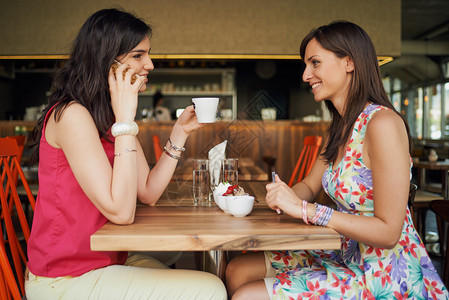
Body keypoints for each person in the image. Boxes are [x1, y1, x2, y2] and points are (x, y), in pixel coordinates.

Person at [226, 21, 448, 299]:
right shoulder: (339, 128)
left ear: (349, 63)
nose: (306, 75)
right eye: (306, 65)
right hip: (343, 252)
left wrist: (307, 210)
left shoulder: (383, 123)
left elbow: (389, 232)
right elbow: (308, 185)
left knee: (247, 295)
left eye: (315, 63)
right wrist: (280, 198)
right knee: (237, 270)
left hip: (385, 272)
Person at [25, 8, 226, 299]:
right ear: (107, 60)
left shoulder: (107, 117)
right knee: (211, 290)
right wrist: (125, 121)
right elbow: (121, 212)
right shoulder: (72, 115)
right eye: (138, 55)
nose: (150, 64)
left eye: (148, 54)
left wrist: (179, 133)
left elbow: (148, 192)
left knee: (191, 271)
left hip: (106, 259)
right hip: (65, 277)